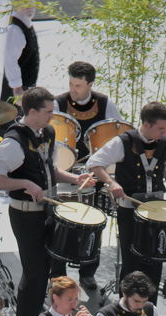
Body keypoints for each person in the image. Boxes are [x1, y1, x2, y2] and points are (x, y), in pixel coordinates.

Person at [0, 87, 93, 316]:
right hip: (25, 214)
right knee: (34, 274)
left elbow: (49, 170)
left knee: (46, 270)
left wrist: (75, 179)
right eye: (47, 112)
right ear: (32, 111)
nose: (51, 116)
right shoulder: (13, 143)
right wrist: (24, 183)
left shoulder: (47, 132)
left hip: (46, 211)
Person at [87, 102, 166, 299]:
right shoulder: (123, 141)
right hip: (130, 210)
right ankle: (125, 311)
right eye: (161, 128)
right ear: (147, 124)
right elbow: (94, 163)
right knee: (132, 262)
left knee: (155, 260)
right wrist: (111, 182)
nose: (164, 132)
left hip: (158, 212)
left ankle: (149, 312)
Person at [50, 60, 122, 291]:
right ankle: (58, 272)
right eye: (71, 83)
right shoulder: (58, 103)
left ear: (90, 84)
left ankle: (88, 271)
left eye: (78, 85)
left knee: (94, 221)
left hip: (94, 170)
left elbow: (116, 134)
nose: (73, 89)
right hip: (65, 169)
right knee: (61, 220)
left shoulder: (105, 103)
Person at [1, 3, 38, 103]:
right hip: (15, 91)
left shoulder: (25, 24)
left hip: (25, 87)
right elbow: (9, 60)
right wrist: (17, 88)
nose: (30, 6)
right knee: (13, 117)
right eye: (25, 3)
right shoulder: (15, 29)